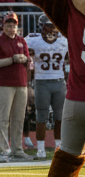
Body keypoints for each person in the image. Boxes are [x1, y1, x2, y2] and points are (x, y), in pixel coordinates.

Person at [26, 18, 67, 159]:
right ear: (42, 27)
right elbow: (21, 47)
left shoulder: (64, 41)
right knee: (41, 117)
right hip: (41, 81)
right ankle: (41, 150)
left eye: (53, 26)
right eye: (48, 26)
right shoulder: (34, 40)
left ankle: (59, 148)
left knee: (59, 116)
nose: (51, 30)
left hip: (59, 81)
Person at [0, 12, 31, 161]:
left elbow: (28, 62)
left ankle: (17, 149)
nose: (11, 28)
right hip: (4, 84)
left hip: (21, 83)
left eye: (14, 25)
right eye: (8, 25)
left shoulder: (22, 41)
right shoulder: (0, 40)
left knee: (18, 118)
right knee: (3, 118)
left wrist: (26, 60)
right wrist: (11, 60)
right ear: (3, 25)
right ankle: (3, 150)